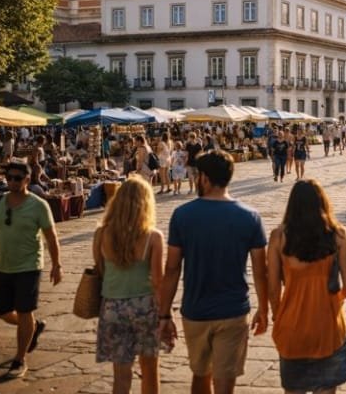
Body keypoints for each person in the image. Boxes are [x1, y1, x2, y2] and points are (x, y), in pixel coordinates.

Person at [159, 150, 269, 394]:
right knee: (225, 383)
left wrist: (164, 314)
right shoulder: (250, 217)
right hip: (233, 311)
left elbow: (172, 269)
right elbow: (261, 271)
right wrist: (264, 308)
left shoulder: (182, 215)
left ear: (205, 178)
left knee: (200, 375)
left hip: (195, 311)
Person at [268, 180, 346, 394]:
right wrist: (333, 301)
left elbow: (272, 288)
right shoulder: (338, 235)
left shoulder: (279, 237)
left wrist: (278, 314)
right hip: (328, 327)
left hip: (292, 326)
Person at [0, 161, 62, 378]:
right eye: (9, 177)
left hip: (29, 266)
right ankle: (32, 327)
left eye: (17, 178)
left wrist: (57, 264)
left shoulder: (38, 205)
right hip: (2, 265)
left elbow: (51, 236)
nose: (12, 181)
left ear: (27, 180)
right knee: (2, 311)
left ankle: (19, 359)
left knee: (25, 310)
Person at [93, 176, 164, 394]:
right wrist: (165, 314)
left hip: (112, 307)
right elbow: (158, 280)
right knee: (150, 370)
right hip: (145, 306)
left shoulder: (101, 234)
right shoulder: (153, 237)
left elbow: (100, 270)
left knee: (121, 376)